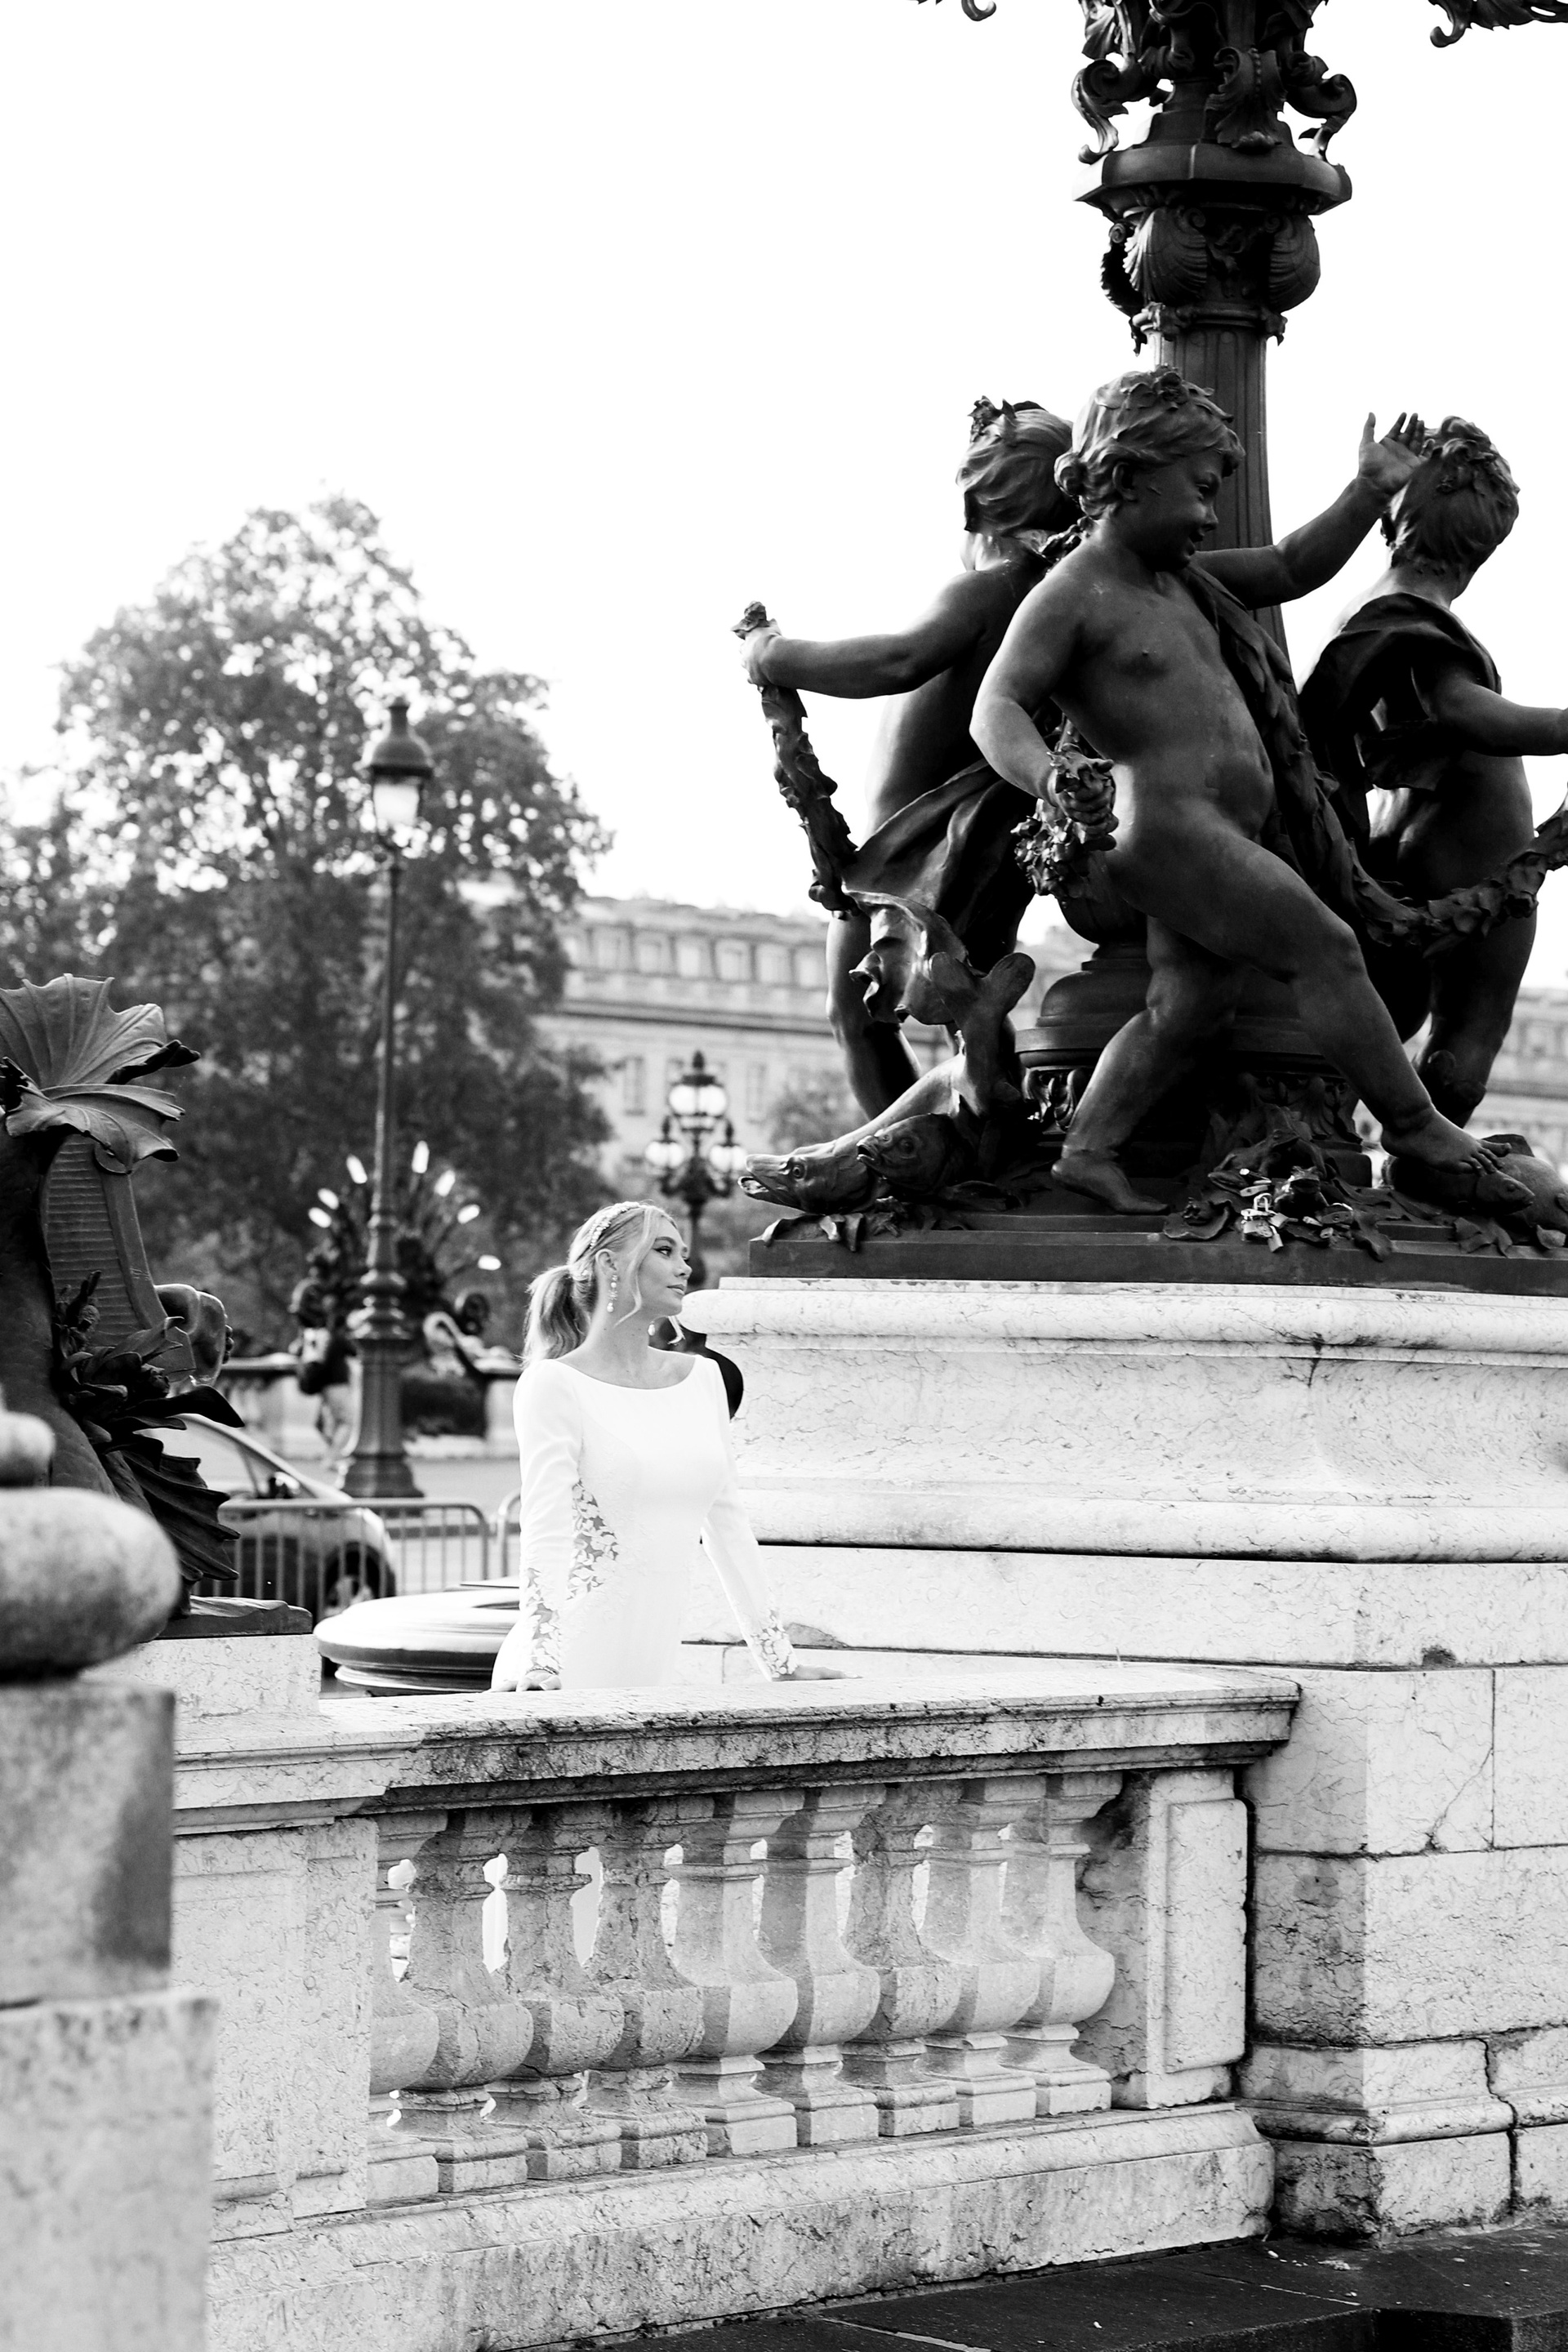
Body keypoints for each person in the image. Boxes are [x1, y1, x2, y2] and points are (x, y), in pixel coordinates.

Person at [970, 367, 1525, 1218]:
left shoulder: (1182, 579)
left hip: (1214, 826)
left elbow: (1292, 564)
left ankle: (1089, 1147)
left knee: (1189, 1003)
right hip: (1168, 828)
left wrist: (1366, 491)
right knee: (1327, 948)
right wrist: (1049, 775)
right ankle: (1414, 1123)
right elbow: (996, 707)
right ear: (1128, 475)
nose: (1208, 514)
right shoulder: (1075, 592)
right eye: (1199, 489)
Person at [740, 399, 1077, 1117]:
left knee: (856, 1011)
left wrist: (774, 656)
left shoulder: (992, 590)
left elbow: (897, 661)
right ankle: (983, 1141)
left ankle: (926, 1155)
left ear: (973, 509)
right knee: (973, 1011)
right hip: (967, 836)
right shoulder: (1047, 597)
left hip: (913, 850)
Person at [1300, 416, 1560, 1126]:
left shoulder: (1370, 604)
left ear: (1393, 520)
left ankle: (1344, 1135)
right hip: (1474, 848)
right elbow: (1466, 712)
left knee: (1394, 1011)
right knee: (1470, 1030)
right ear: (1486, 548)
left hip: (1398, 837)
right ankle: (1430, 1165)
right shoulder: (1419, 615)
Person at [490, 1201, 837, 1692]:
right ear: (609, 1263)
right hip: (564, 1664)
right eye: (664, 1251)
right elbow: (545, 1532)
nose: (684, 1267)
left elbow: (730, 1531)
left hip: (651, 1659)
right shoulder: (554, 1384)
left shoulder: (704, 1378)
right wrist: (541, 1663)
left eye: (684, 1254)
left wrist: (781, 1665)